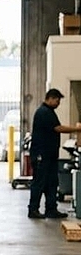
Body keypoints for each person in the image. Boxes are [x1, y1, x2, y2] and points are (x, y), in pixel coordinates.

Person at [27, 88, 81, 219]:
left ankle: (51, 209)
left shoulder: (49, 112)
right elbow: (58, 128)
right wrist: (77, 129)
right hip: (41, 154)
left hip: (50, 155)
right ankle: (33, 209)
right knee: (39, 182)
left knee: (52, 182)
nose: (58, 103)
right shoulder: (44, 112)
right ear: (50, 98)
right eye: (57, 100)